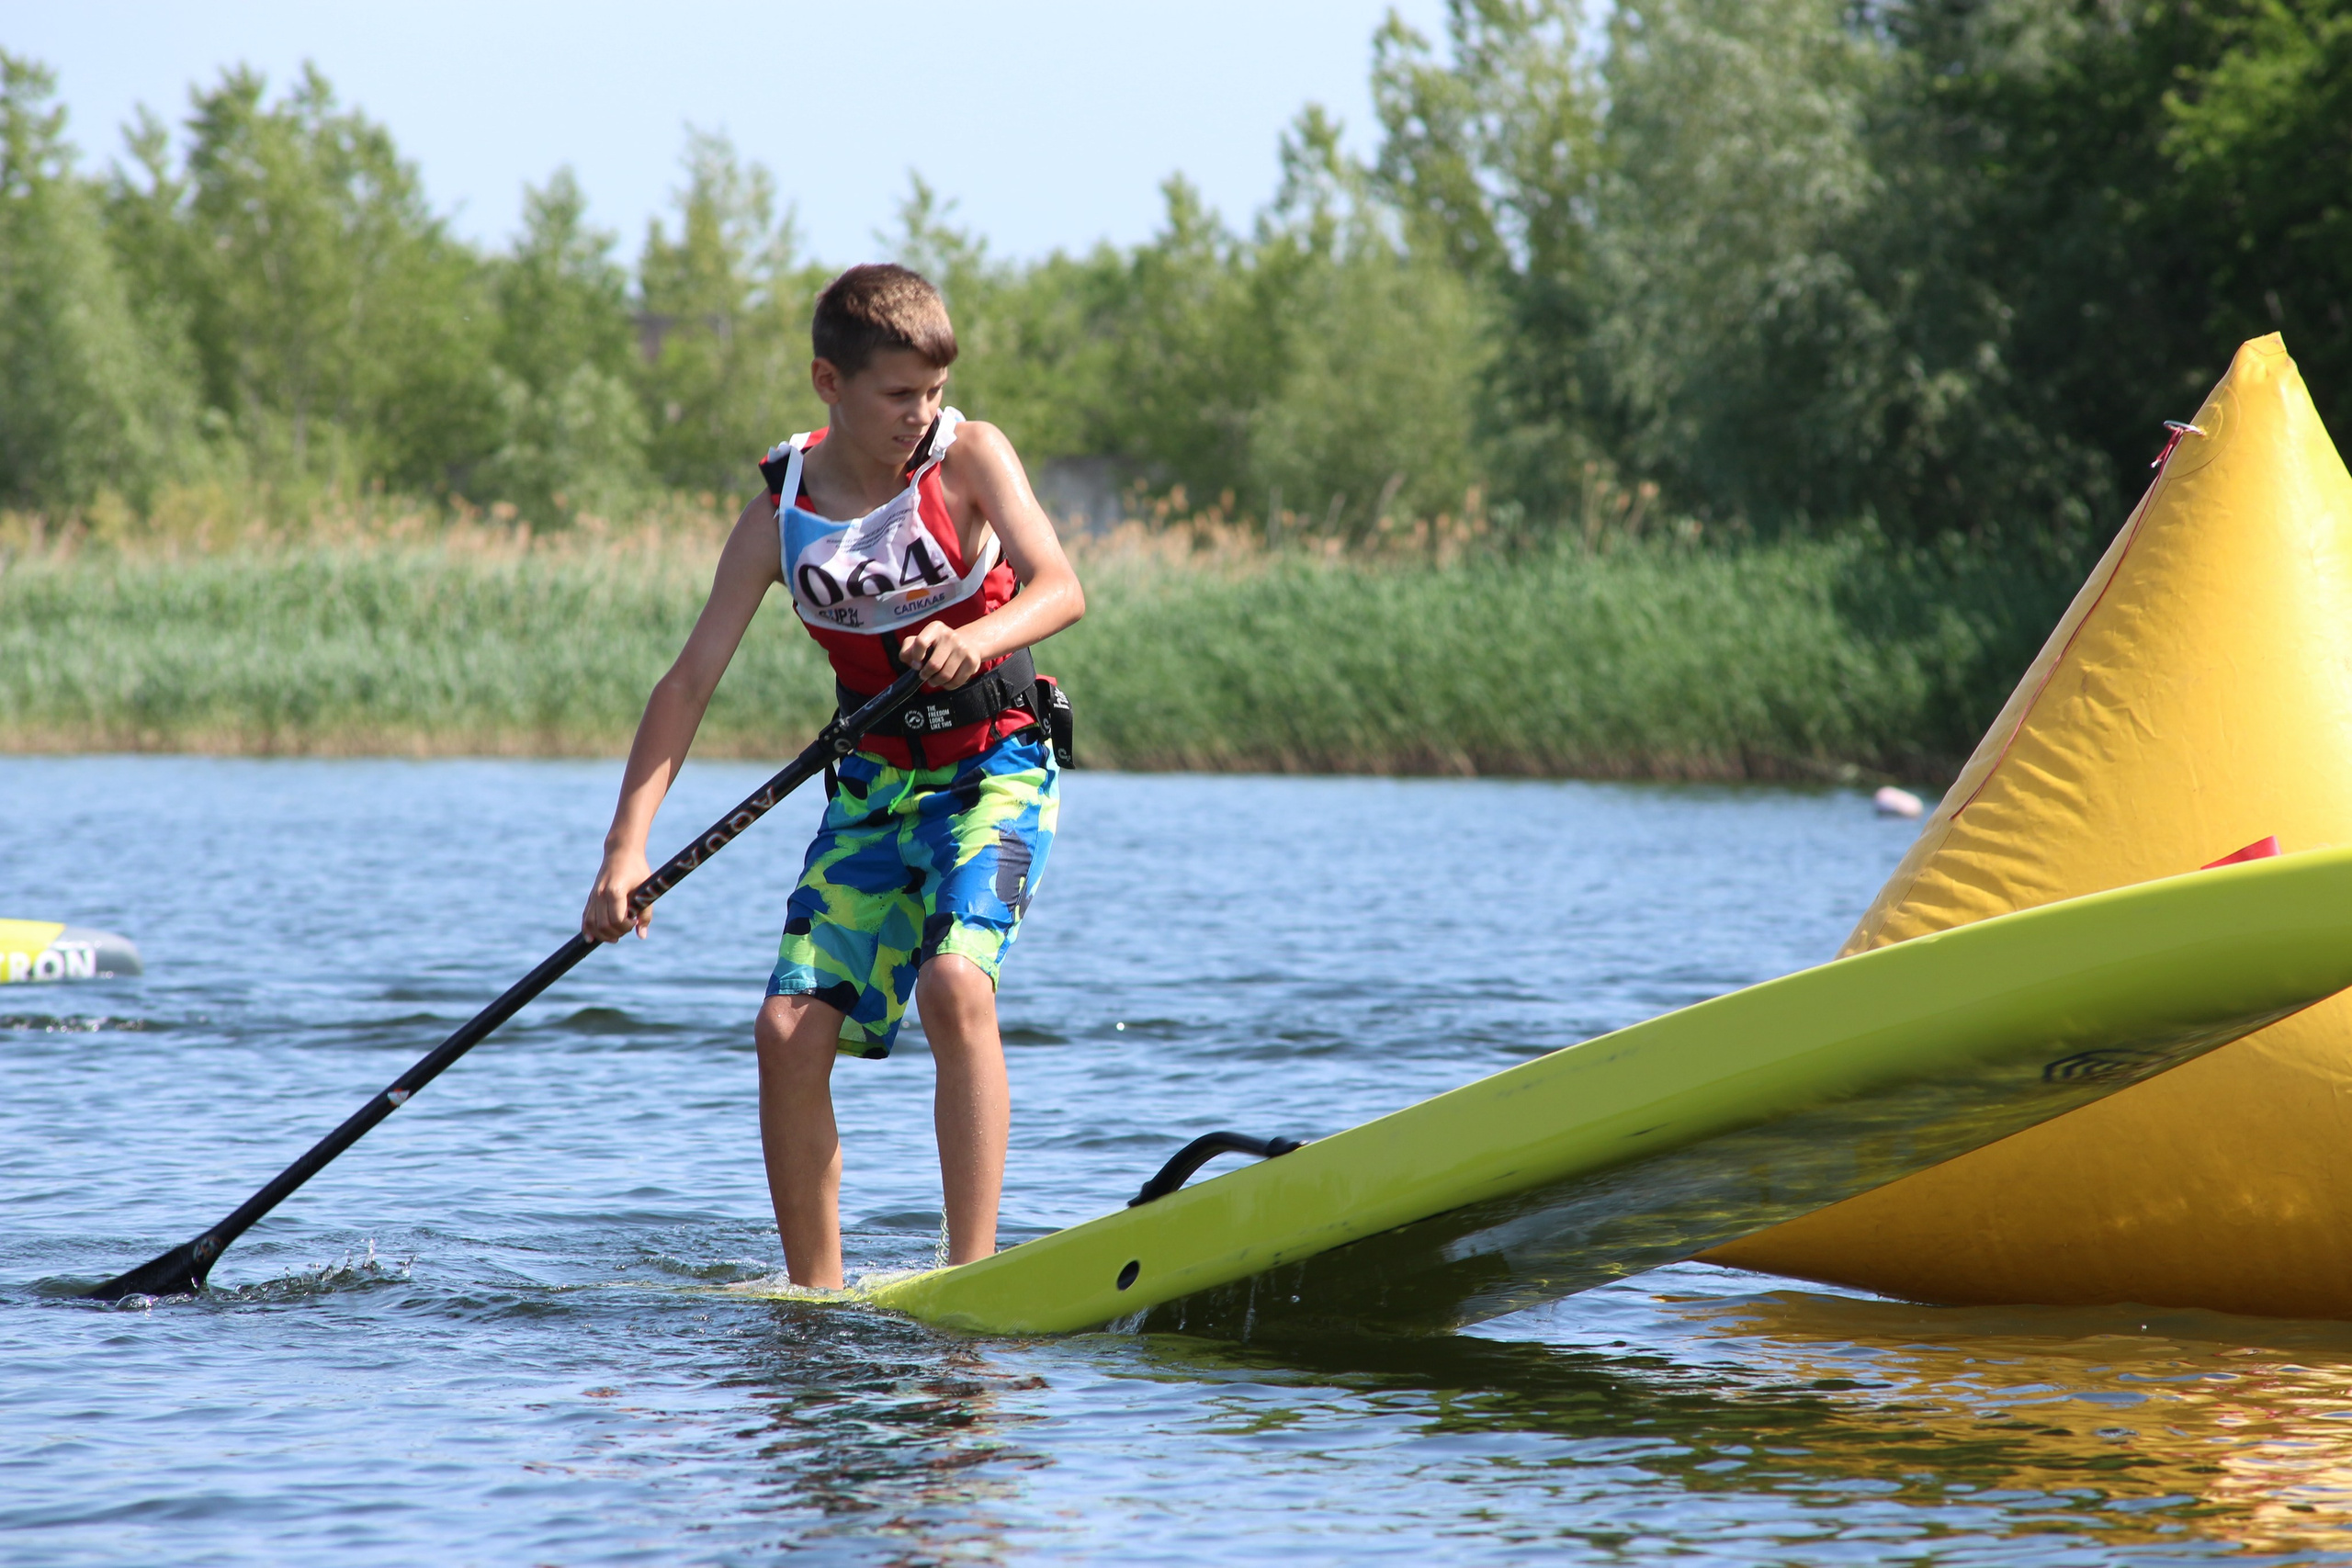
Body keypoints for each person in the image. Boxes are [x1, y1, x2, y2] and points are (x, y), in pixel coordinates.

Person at [580, 264, 1084, 1288]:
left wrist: (975, 637)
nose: (921, 415)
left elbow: (1061, 588)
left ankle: (972, 1279)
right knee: (785, 1029)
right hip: (871, 790)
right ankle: (815, 1299)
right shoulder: (781, 514)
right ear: (829, 383)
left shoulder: (970, 458)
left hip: (997, 769)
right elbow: (685, 686)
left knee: (953, 986)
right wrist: (623, 851)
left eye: (933, 392)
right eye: (899, 396)